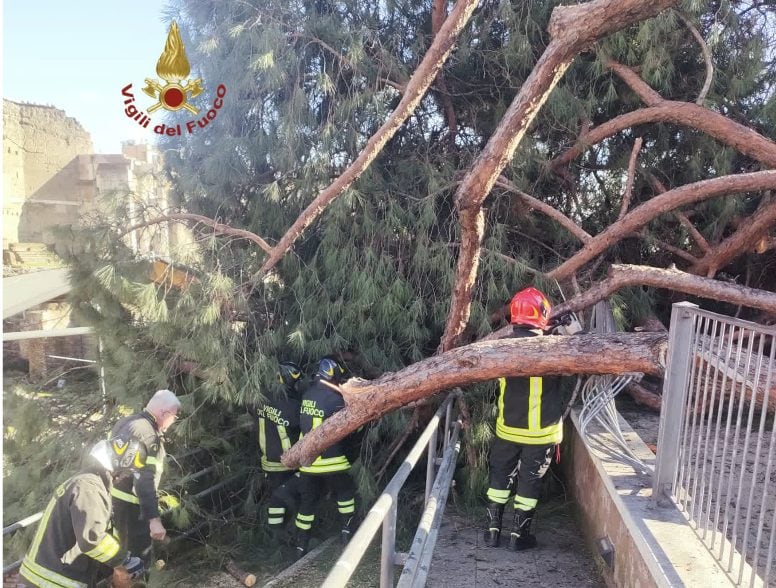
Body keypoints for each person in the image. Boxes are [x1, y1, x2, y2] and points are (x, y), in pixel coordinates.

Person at [483, 287, 563, 551]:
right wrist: (569, 331)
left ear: (514, 315)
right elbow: (590, 358)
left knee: (499, 479)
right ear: (543, 313)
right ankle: (519, 537)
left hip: (508, 429)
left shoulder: (501, 348)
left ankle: (492, 532)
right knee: (529, 481)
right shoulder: (557, 349)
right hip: (541, 434)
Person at [19, 439, 146, 588]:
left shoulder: (89, 482)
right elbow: (92, 539)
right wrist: (123, 562)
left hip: (48, 577)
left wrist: (111, 571)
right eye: (128, 472)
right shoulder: (88, 488)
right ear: (120, 466)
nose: (126, 477)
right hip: (53, 581)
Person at [293, 357, 359, 558]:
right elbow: (349, 432)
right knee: (346, 495)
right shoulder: (338, 399)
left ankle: (300, 546)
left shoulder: (306, 395)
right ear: (334, 374)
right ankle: (347, 535)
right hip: (334, 462)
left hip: (308, 465)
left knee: (307, 505)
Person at [110, 389, 181, 564]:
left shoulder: (125, 423)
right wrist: (154, 520)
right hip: (134, 511)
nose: (173, 422)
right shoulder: (149, 435)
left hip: (112, 504)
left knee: (118, 560)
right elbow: (144, 480)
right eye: (175, 417)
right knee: (137, 563)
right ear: (165, 413)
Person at [258, 361, 303, 537]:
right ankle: (290, 535)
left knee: (275, 500)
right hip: (289, 464)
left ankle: (274, 536)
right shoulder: (292, 406)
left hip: (269, 461)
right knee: (291, 500)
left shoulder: (263, 400)